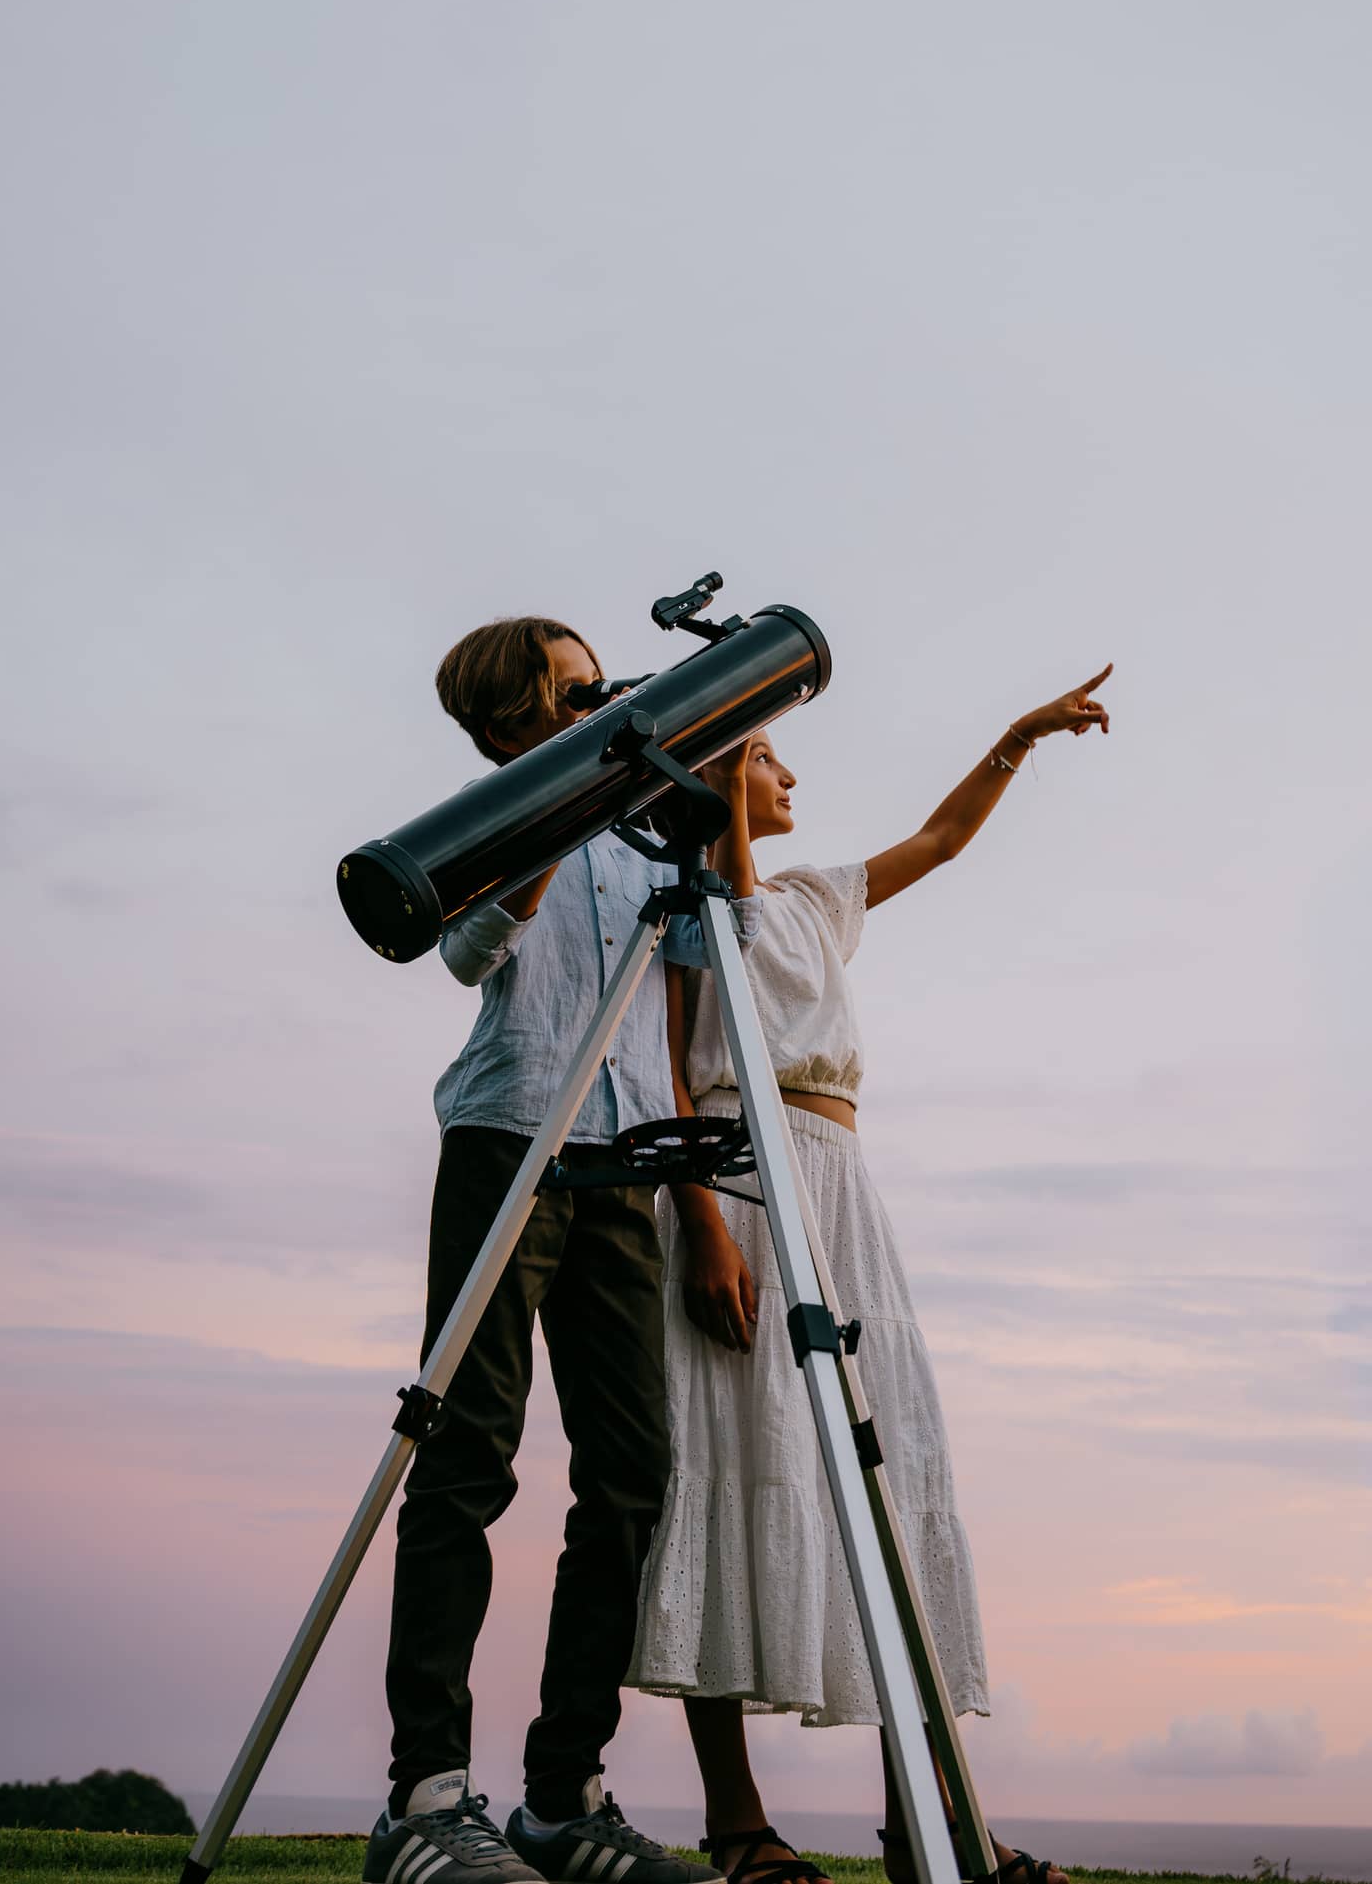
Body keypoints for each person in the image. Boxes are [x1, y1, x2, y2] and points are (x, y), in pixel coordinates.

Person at [627, 667, 1114, 1884]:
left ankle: (931, 1821)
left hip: (843, 1179)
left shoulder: (813, 897)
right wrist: (705, 1224)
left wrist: (1016, 737)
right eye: (771, 761)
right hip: (739, 1171)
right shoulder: (691, 910)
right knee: (734, 1468)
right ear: (731, 769)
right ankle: (739, 1822)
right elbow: (677, 1072)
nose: (794, 777)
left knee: (882, 1481)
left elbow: (941, 841)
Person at [364, 616, 762, 1884]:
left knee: (633, 1470)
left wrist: (713, 809)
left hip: (622, 1159)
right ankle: (426, 1797)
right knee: (468, 1453)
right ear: (508, 720)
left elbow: (723, 956)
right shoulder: (492, 815)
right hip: (507, 1136)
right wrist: (553, 823)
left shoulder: (648, 815)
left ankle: (563, 1794)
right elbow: (468, 952)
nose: (605, 699)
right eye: (577, 689)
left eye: (605, 683)